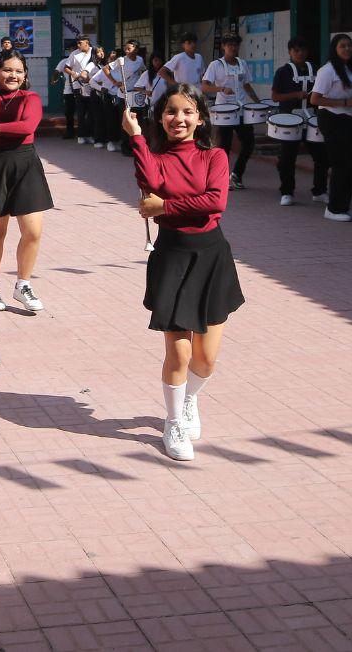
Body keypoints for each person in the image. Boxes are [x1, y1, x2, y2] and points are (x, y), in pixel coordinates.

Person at [122, 86, 243, 462]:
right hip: (172, 256)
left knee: (205, 359)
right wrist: (137, 138)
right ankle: (173, 421)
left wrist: (166, 206)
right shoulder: (156, 157)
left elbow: (214, 202)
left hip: (210, 257)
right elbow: (150, 186)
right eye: (171, 112)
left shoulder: (215, 156)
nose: (179, 119)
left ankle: (190, 399)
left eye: (188, 111)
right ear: (160, 118)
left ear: (200, 118)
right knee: (178, 354)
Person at [0, 50, 54, 313]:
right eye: (7, 70)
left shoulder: (31, 98)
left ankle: (23, 284)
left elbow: (27, 127)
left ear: (25, 75)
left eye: (19, 71)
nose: (13, 75)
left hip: (25, 165)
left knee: (33, 232)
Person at [310, 34, 352, 222]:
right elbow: (314, 99)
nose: (347, 48)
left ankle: (343, 206)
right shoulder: (328, 70)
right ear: (335, 49)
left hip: (348, 119)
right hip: (331, 119)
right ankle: (332, 209)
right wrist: (344, 102)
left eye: (350, 45)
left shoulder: (351, 68)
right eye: (343, 46)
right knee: (341, 164)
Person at [270, 37, 328, 207]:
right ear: (290, 52)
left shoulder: (316, 70)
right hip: (290, 120)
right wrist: (295, 95)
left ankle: (319, 191)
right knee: (287, 158)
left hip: (311, 119)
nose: (300, 53)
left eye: (303, 50)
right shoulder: (283, 72)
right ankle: (287, 192)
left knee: (322, 157)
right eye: (296, 50)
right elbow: (275, 96)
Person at [201, 34, 261, 190]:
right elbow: (205, 86)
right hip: (224, 112)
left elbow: (247, 85)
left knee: (249, 143)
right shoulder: (216, 65)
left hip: (241, 110)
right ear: (224, 47)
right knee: (224, 147)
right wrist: (221, 89)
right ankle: (221, 180)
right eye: (230, 45)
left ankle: (236, 175)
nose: (233, 48)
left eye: (236, 45)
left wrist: (258, 103)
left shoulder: (242, 63)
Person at [106, 40, 147, 155]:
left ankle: (135, 146)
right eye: (125, 48)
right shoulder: (121, 60)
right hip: (124, 94)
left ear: (136, 49)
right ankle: (126, 147)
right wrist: (115, 82)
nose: (126, 51)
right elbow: (106, 69)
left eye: (129, 48)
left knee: (136, 120)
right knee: (126, 120)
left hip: (136, 94)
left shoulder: (140, 60)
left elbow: (143, 70)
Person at [67, 38, 97, 144]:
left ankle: (89, 134)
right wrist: (73, 74)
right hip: (78, 85)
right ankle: (81, 135)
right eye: (77, 43)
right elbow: (67, 67)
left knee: (92, 111)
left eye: (80, 43)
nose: (78, 45)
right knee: (81, 111)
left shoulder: (94, 51)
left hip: (92, 85)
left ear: (87, 43)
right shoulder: (74, 54)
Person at [133, 51, 168, 120]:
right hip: (151, 104)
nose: (158, 62)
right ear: (152, 61)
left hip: (164, 104)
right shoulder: (147, 74)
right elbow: (136, 87)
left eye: (160, 60)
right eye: (155, 60)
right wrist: (146, 91)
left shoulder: (167, 73)